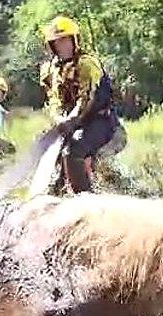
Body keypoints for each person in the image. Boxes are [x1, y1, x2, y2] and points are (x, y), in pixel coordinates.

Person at [39, 15, 125, 193]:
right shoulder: (53, 69)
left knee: (72, 153)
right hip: (73, 124)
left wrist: (71, 120)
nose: (62, 46)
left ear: (74, 40)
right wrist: (57, 119)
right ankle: (59, 190)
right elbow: (55, 99)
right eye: (57, 43)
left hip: (101, 122)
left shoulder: (87, 64)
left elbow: (86, 99)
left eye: (65, 41)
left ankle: (84, 200)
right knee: (49, 149)